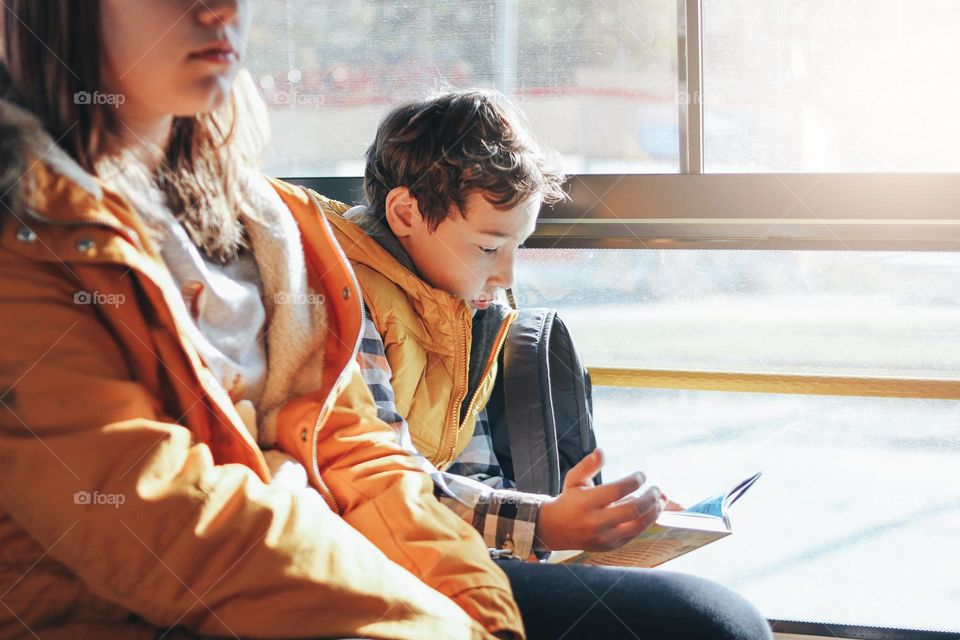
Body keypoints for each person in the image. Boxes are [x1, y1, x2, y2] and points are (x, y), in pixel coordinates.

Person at [0, 2, 525, 638]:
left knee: (674, 613)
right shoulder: (25, 232)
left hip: (333, 576)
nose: (221, 8)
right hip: (132, 613)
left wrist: (481, 616)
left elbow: (357, 449)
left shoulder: (273, 221)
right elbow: (164, 517)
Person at [325, 89, 774, 640]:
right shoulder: (340, 296)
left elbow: (470, 475)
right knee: (718, 625)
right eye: (489, 248)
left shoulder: (464, 307)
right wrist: (544, 522)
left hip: (438, 550)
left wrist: (585, 523)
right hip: (366, 563)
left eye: (519, 246)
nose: (507, 276)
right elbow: (375, 486)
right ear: (405, 213)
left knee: (715, 618)